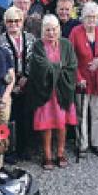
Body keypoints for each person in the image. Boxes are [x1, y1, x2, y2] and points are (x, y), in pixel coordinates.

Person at [26, 15, 78, 170]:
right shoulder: (38, 45)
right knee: (47, 124)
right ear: (43, 31)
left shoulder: (66, 44)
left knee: (62, 123)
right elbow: (40, 67)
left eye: (54, 29)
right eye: (47, 29)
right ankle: (47, 155)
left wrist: (55, 67)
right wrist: (59, 67)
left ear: (59, 29)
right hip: (45, 91)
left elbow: (72, 65)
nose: (51, 33)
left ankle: (60, 153)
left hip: (63, 90)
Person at [0, 7, 38, 160]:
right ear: (5, 22)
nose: (14, 24)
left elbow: (34, 59)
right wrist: (11, 82)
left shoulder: (30, 38)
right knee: (8, 118)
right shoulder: (0, 40)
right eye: (10, 21)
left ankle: (25, 148)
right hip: (7, 85)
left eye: (17, 21)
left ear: (22, 22)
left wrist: (26, 77)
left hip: (26, 83)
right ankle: (8, 151)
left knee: (25, 117)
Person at [69, 2, 98, 156]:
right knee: (81, 114)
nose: (91, 20)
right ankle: (82, 145)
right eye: (88, 17)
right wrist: (78, 77)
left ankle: (97, 144)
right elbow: (70, 58)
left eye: (94, 17)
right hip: (82, 81)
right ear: (83, 18)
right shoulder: (75, 32)